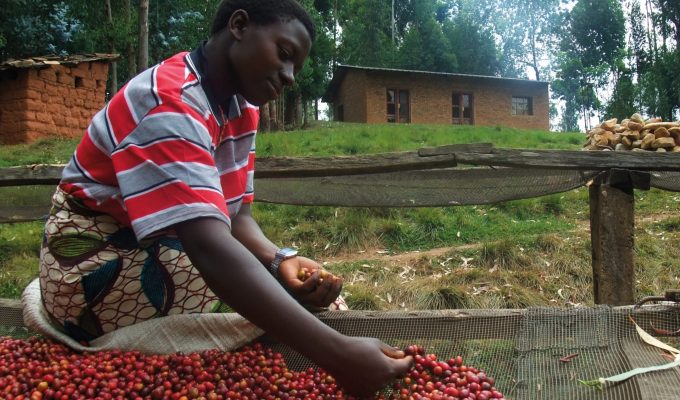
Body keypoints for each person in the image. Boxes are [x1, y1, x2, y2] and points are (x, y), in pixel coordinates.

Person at [38, 0, 412, 396]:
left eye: (295, 69)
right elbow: (209, 247)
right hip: (89, 266)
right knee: (282, 308)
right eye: (283, 55)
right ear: (239, 25)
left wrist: (280, 258)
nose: (288, 77)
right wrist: (337, 355)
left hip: (160, 247)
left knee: (299, 299)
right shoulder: (170, 101)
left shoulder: (239, 109)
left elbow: (235, 217)